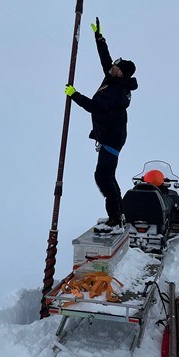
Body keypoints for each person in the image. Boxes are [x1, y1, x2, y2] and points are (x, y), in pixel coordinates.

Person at [65, 17, 138, 233]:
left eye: (116, 67)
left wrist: (74, 95)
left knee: (103, 176)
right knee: (107, 175)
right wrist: (99, 37)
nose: (112, 66)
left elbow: (94, 107)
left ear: (121, 73)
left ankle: (116, 218)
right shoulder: (115, 79)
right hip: (110, 135)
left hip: (112, 137)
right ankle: (118, 213)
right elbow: (105, 60)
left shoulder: (116, 90)